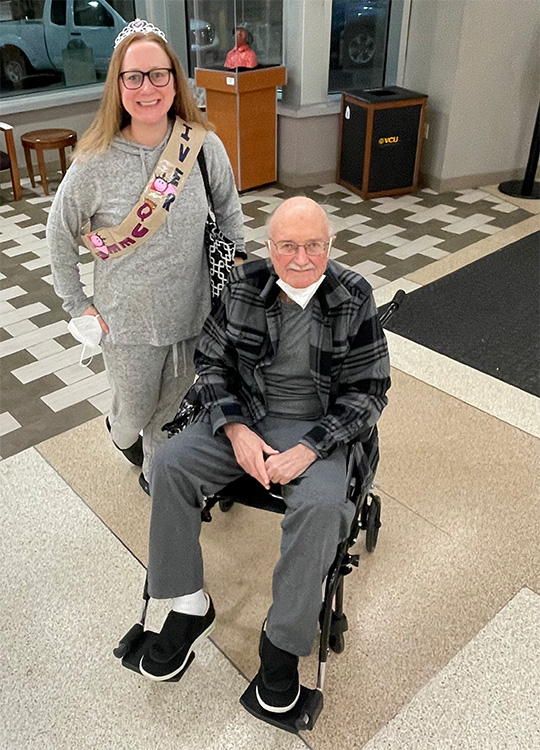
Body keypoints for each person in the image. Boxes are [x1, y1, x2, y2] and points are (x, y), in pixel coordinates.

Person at [136, 197, 391, 714]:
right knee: (168, 463)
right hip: (246, 416)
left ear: (330, 244)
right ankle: (188, 602)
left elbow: (369, 392)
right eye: (288, 246)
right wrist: (234, 429)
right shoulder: (244, 284)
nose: (301, 258)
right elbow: (210, 362)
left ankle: (281, 642)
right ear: (269, 247)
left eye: (313, 246)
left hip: (320, 429)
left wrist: (309, 448)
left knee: (322, 509)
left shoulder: (353, 295)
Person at [47, 19, 245, 493]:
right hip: (127, 326)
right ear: (118, 85)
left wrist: (237, 281)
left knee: (172, 415)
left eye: (158, 74)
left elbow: (231, 215)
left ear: (174, 81)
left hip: (194, 315)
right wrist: (78, 305)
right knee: (134, 412)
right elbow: (58, 233)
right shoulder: (94, 160)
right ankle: (120, 433)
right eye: (133, 76)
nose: (147, 87)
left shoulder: (202, 147)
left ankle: (161, 484)